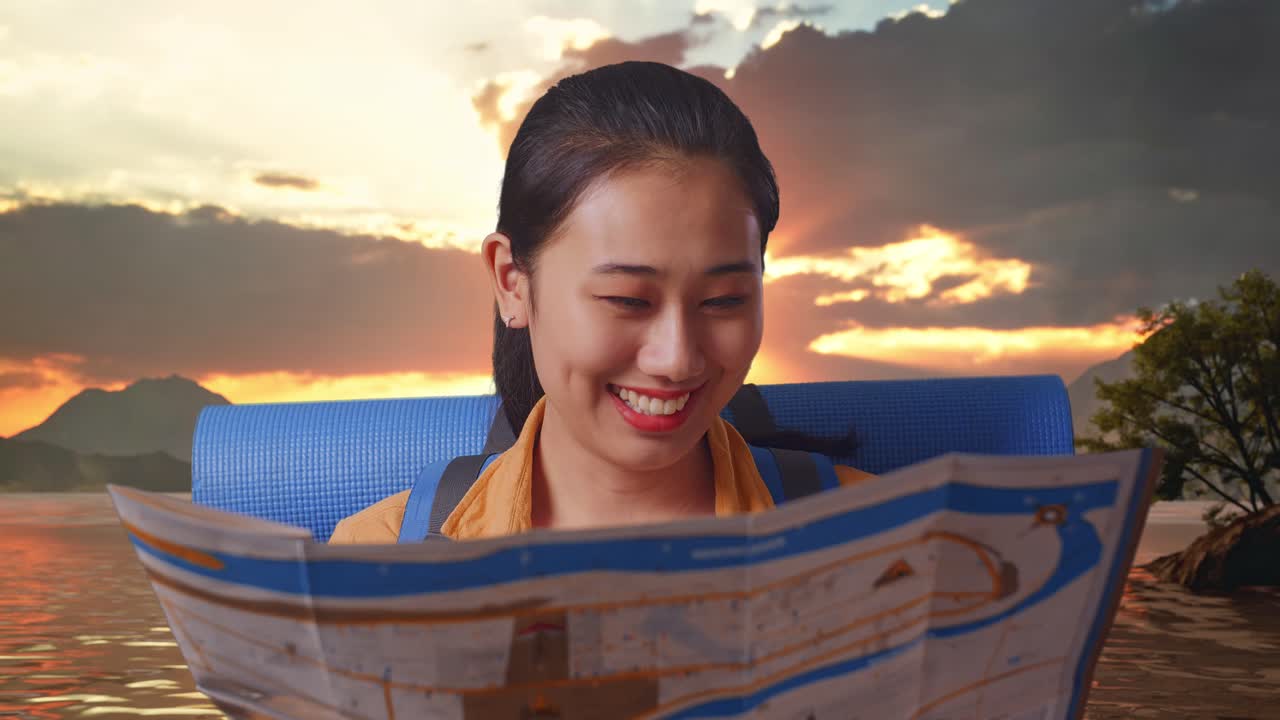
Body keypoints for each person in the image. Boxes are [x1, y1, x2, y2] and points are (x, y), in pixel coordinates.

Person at [330, 61, 871, 544]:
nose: (677, 359)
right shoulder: (374, 556)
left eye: (724, 300)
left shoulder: (880, 540)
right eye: (627, 300)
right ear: (511, 281)